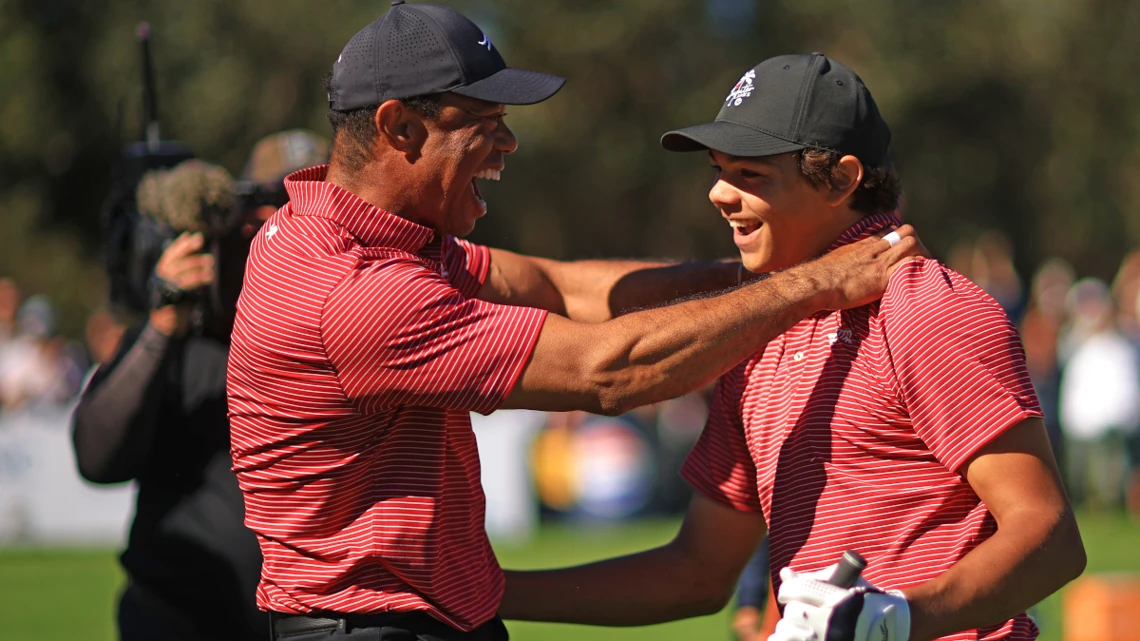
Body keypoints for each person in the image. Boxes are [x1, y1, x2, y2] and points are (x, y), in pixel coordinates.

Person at [226, 6, 923, 641]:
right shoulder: (356, 292)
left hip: (402, 618)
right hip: (374, 628)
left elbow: (561, 287)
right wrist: (816, 283)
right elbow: (609, 371)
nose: (509, 142)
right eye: (483, 121)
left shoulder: (373, 238)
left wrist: (749, 278)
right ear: (397, 128)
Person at [497, 54, 1085, 641]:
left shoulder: (924, 308)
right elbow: (697, 571)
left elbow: (1050, 535)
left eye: (750, 175)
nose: (718, 194)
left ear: (842, 179)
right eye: (719, 169)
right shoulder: (759, 325)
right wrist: (487, 592)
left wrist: (899, 618)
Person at [71, 133, 328, 641]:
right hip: (175, 618)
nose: (287, 227)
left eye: (308, 209)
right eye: (268, 208)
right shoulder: (181, 332)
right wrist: (164, 319)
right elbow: (98, 459)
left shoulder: (354, 331)